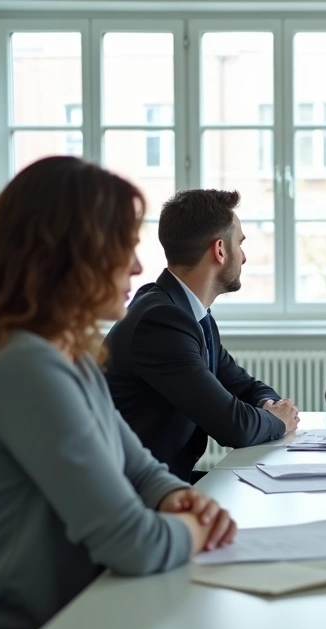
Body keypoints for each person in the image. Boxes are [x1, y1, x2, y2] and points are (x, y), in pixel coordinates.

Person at [0, 157, 236, 629]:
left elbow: (141, 468)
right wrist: (199, 528)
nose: (138, 265)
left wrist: (179, 498)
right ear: (70, 254)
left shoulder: (70, 356)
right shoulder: (23, 366)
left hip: (62, 607)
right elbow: (134, 543)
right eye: (123, 246)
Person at [104, 189, 299, 483]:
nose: (244, 258)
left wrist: (270, 406)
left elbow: (245, 387)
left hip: (162, 482)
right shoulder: (161, 322)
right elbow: (233, 426)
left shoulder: (190, 314)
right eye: (240, 244)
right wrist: (278, 420)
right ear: (220, 250)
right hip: (137, 496)